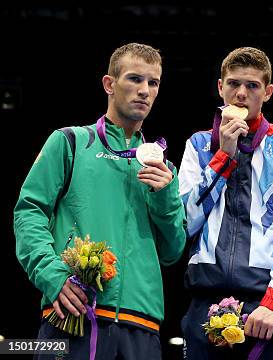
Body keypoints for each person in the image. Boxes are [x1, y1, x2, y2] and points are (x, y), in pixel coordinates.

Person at [14, 43, 187, 359]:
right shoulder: (70, 142)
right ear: (110, 84)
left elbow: (172, 251)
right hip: (72, 311)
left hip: (142, 323)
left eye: (153, 83)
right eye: (134, 79)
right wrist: (52, 275)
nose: (144, 91)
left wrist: (165, 197)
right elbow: (29, 212)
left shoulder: (162, 168)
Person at [178, 47, 273, 359]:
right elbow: (184, 223)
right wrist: (223, 155)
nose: (241, 94)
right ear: (220, 88)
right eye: (233, 84)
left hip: (267, 307)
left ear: (267, 92)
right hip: (205, 300)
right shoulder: (198, 145)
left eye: (252, 86)